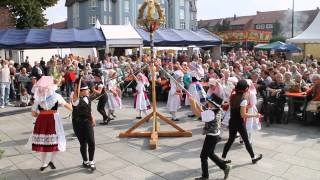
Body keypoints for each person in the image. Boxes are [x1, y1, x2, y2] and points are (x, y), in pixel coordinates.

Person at [26, 76, 72, 171]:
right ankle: (52, 161)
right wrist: (75, 106)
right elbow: (68, 106)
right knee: (57, 140)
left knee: (44, 142)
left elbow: (33, 113)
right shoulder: (56, 96)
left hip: (42, 120)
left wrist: (42, 112)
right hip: (53, 120)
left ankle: (43, 163)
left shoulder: (38, 99)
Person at [221, 80, 263, 164]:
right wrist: (255, 115)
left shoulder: (233, 95)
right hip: (239, 123)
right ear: (245, 88)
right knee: (246, 141)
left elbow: (229, 104)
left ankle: (223, 158)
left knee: (230, 140)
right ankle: (253, 158)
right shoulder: (243, 100)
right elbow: (243, 115)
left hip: (232, 121)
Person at [196, 96, 231, 180]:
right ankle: (225, 167)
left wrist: (192, 102)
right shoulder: (215, 110)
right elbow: (203, 112)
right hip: (215, 135)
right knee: (210, 154)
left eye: (208, 101)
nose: (207, 102)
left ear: (212, 103)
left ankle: (205, 176)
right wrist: (197, 104)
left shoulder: (211, 112)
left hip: (212, 136)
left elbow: (198, 115)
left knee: (203, 156)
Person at [71, 80, 97, 172]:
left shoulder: (88, 98)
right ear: (80, 91)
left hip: (87, 122)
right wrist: (78, 81)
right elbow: (75, 94)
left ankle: (91, 161)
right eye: (86, 89)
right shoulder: (76, 100)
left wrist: (93, 118)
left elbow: (89, 110)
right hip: (78, 124)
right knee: (83, 143)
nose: (88, 91)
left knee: (91, 142)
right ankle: (85, 161)